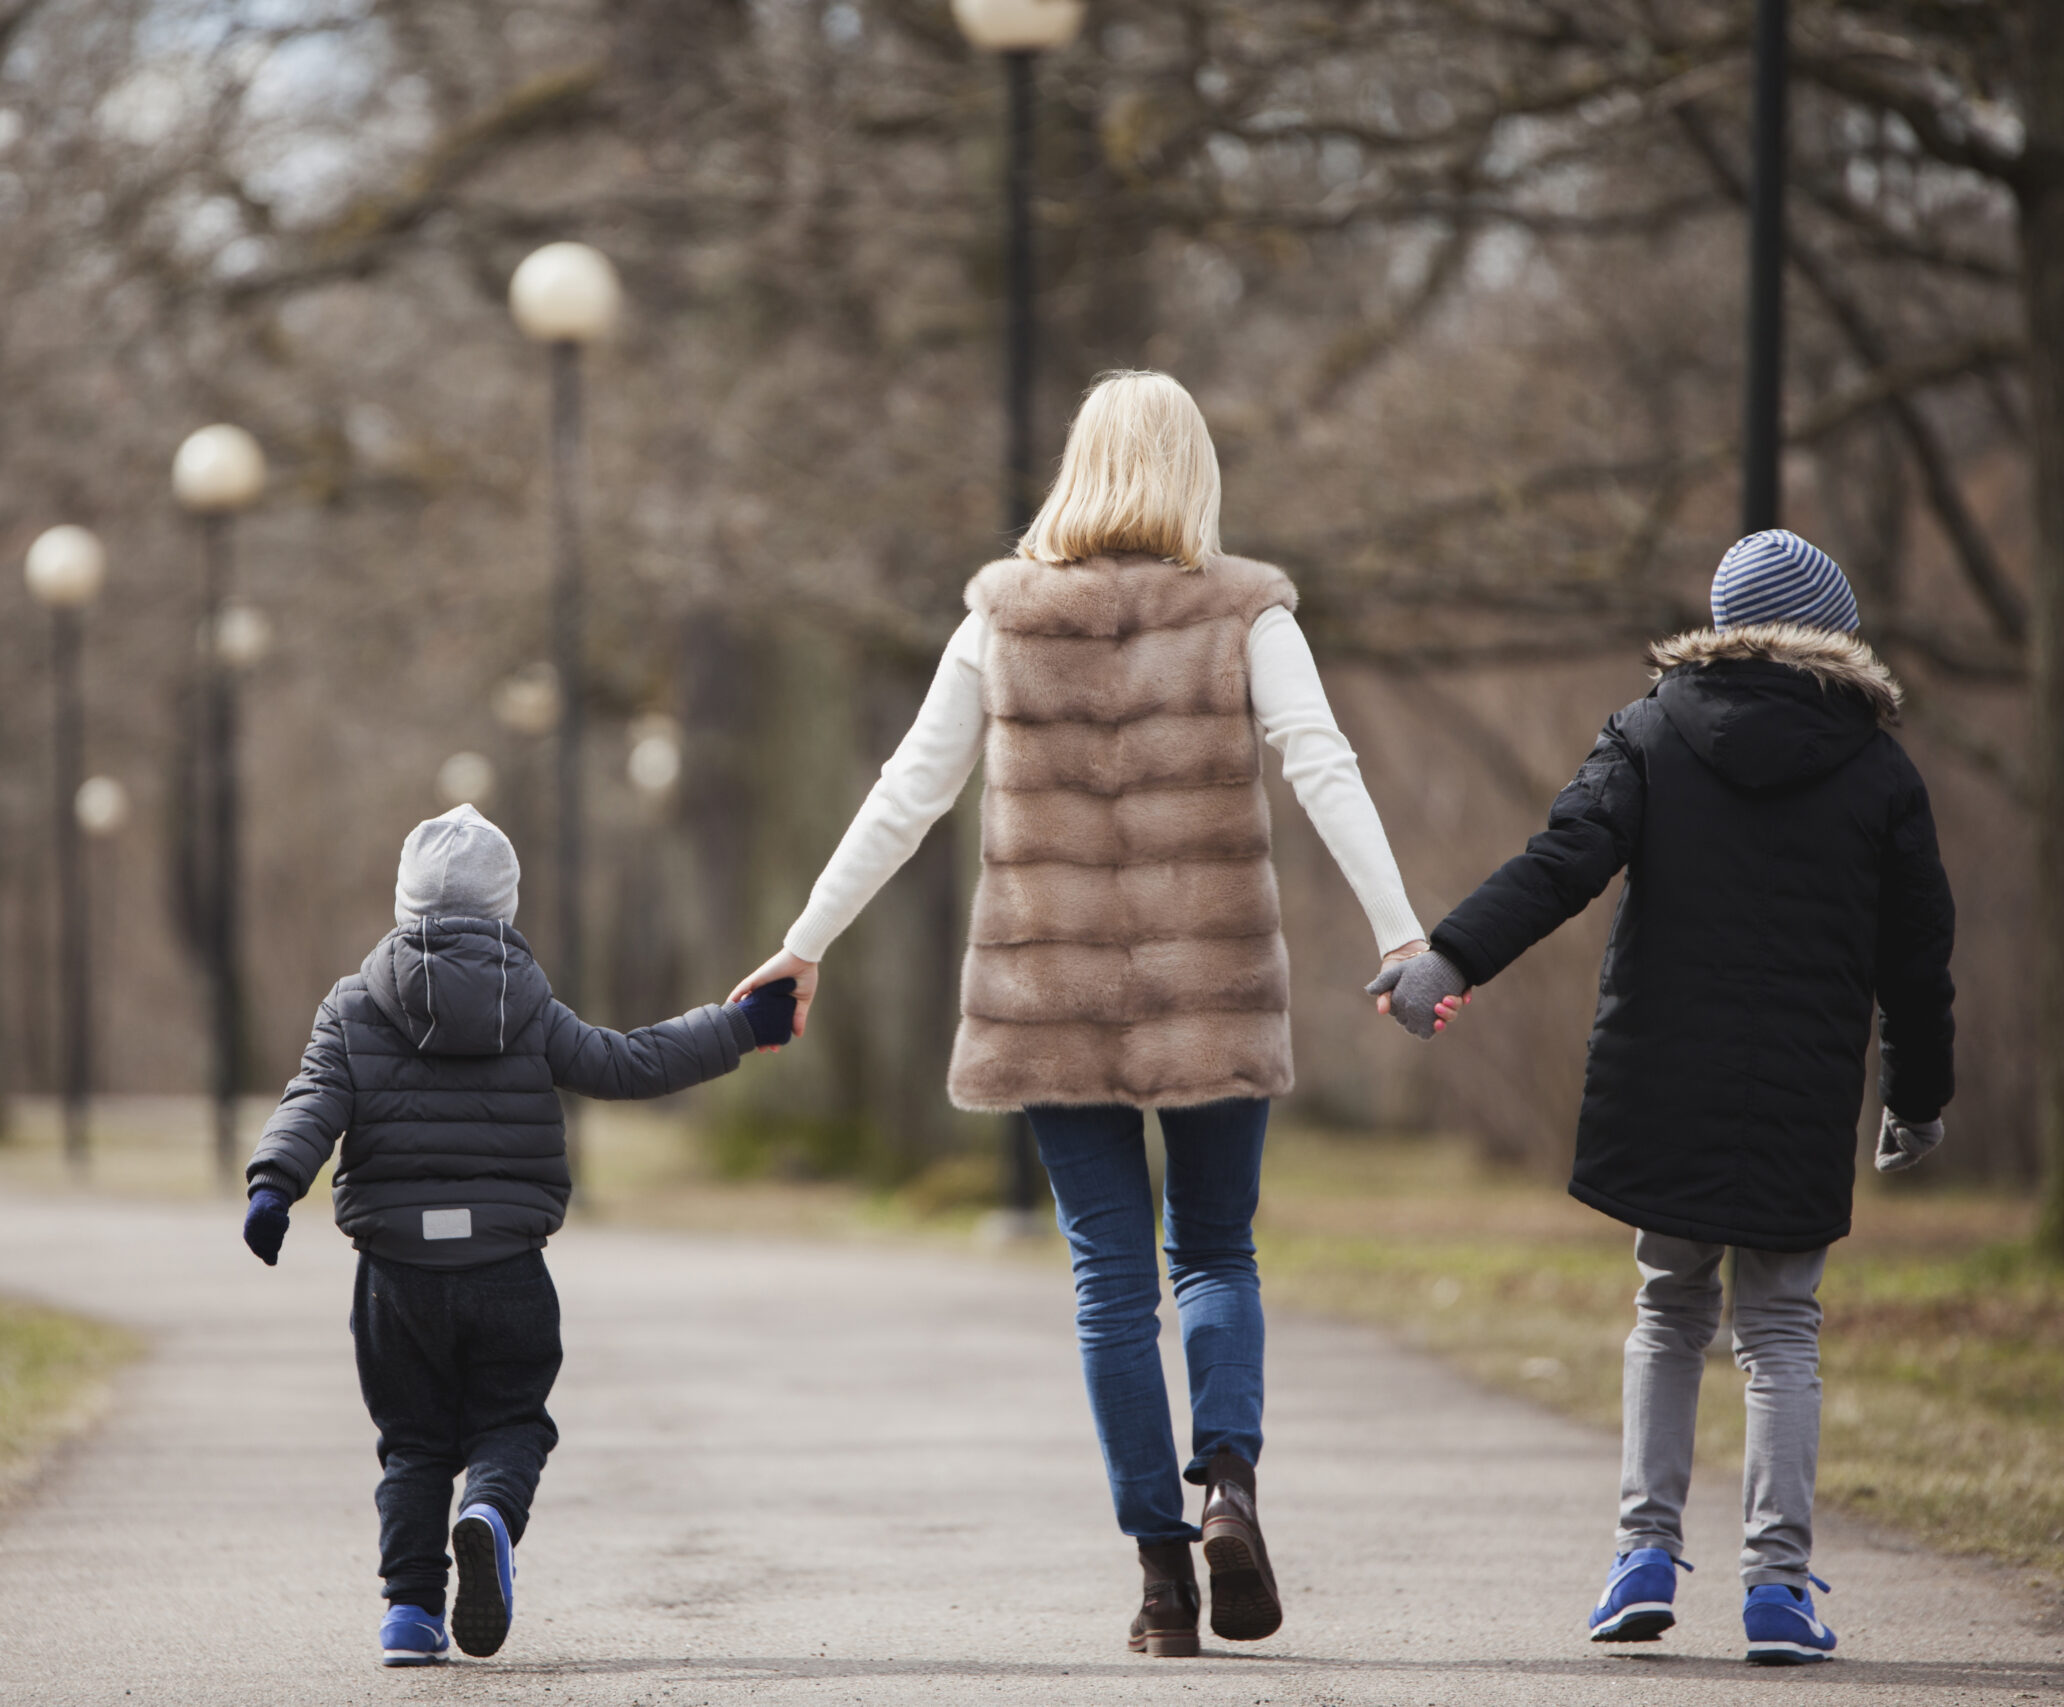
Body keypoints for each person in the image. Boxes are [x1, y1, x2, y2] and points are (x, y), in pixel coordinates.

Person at [729, 371, 1429, 1655]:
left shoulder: (1000, 621)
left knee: (1110, 1286)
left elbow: (909, 795)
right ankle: (1228, 1488)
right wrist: (1401, 930)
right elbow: (1320, 760)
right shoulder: (1246, 613)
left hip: (1047, 997)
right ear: (1193, 474)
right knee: (1214, 1253)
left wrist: (801, 942)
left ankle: (1162, 1586)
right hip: (1210, 987)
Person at [1368, 529, 1957, 1666]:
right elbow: (1917, 956)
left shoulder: (1651, 731)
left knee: (1668, 1312)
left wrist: (1449, 957)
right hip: (1800, 1088)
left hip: (1663, 1075)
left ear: (1722, 628)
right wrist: (1917, 1095)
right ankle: (1778, 1589)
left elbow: (1560, 862)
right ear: (1832, 634)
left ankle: (1642, 1555)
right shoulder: (1880, 769)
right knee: (1780, 1330)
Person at [241, 803, 798, 1668]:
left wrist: (274, 1186)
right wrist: (740, 1026)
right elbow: (629, 1062)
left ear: (405, 904)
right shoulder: (527, 1001)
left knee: (415, 1444)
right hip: (506, 1265)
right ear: (504, 906)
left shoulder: (352, 1007)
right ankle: (492, 1513)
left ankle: (411, 1615)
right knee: (513, 1419)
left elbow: (311, 1101)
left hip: (396, 1275)